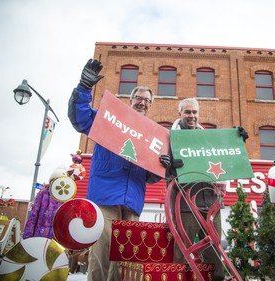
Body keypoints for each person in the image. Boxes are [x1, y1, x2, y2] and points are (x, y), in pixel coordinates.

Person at [68, 58, 161, 281]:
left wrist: (163, 166)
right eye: (138, 98)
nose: (142, 103)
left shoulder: (152, 135)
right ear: (130, 100)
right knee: (101, 254)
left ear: (150, 105)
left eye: (147, 100)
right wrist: (83, 88)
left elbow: (151, 176)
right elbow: (80, 118)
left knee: (125, 261)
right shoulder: (110, 118)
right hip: (105, 195)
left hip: (133, 201)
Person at [160, 98, 248, 281]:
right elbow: (159, 169)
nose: (191, 116)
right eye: (187, 112)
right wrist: (169, 166)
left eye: (194, 112)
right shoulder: (169, 138)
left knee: (215, 251)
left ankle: (217, 278)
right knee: (182, 249)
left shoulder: (208, 139)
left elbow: (226, 157)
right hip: (184, 203)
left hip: (210, 201)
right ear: (180, 114)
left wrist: (238, 142)